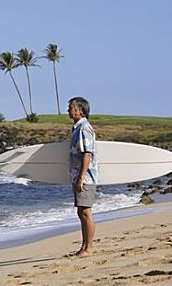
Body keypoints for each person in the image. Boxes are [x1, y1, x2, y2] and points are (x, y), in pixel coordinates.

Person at [68, 97, 99, 257]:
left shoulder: (84, 128)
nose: (68, 110)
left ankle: (89, 248)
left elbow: (87, 154)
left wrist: (81, 178)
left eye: (71, 107)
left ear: (80, 110)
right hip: (79, 176)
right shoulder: (77, 128)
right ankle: (84, 247)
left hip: (85, 177)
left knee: (86, 212)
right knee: (81, 212)